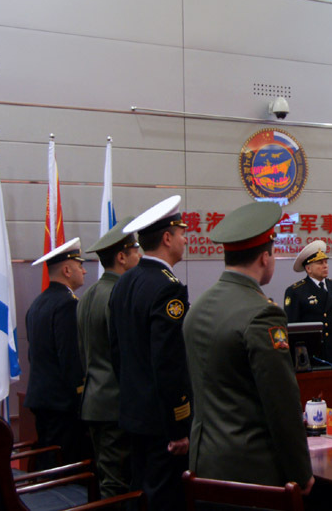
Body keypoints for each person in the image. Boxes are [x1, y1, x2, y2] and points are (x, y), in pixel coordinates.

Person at [183, 202, 314, 493]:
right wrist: (302, 473)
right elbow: (281, 404)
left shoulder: (197, 308)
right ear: (265, 258)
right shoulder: (262, 314)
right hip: (252, 472)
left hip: (203, 464)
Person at [109, 196, 191, 511]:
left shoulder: (124, 282)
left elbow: (116, 352)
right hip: (162, 423)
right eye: (181, 233)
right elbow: (169, 363)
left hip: (133, 413)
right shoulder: (168, 287)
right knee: (164, 499)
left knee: (139, 492)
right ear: (167, 238)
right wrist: (178, 426)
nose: (185, 240)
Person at [77, 217, 140, 499]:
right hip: (116, 405)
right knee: (117, 485)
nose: (140, 256)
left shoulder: (88, 294)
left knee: (108, 476)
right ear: (121, 257)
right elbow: (126, 355)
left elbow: (84, 352)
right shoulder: (120, 294)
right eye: (135, 250)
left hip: (94, 401)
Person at [25, 238, 88, 466]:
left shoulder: (37, 304)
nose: (84, 271)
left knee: (48, 457)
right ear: (67, 270)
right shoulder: (67, 304)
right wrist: (81, 396)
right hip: (62, 403)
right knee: (66, 464)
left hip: (41, 398)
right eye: (80, 265)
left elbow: (34, 354)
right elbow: (70, 357)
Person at [284, 240, 332, 368]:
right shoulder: (296, 291)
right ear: (308, 268)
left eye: (326, 262)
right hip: (311, 357)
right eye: (320, 263)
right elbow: (292, 330)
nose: (325, 266)